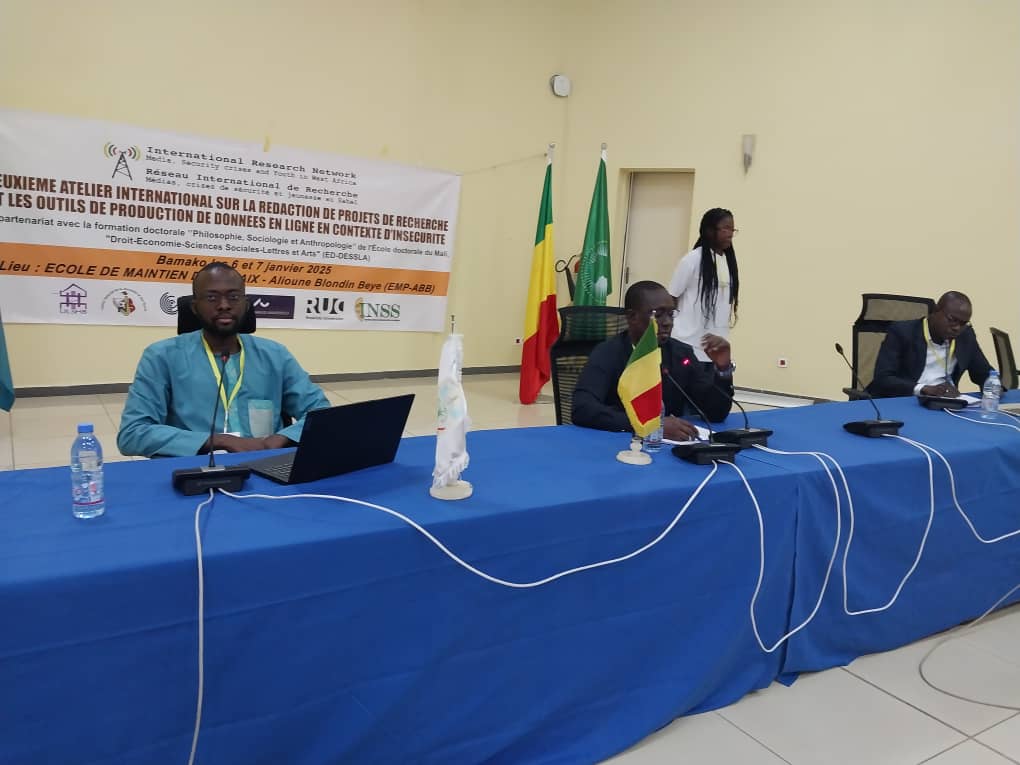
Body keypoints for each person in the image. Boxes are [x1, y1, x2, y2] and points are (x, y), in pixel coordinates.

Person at [117, 262, 331, 457]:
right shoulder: (161, 357)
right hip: (193, 468)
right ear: (194, 307)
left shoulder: (275, 355)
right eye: (212, 298)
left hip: (265, 463)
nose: (224, 305)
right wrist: (218, 441)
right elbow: (133, 434)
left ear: (246, 305)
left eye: (234, 297)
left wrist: (282, 438)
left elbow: (321, 414)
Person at [572, 280, 734, 440]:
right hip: (616, 445)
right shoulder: (608, 353)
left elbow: (715, 414)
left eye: (671, 314)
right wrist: (652, 426)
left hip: (670, 449)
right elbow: (582, 408)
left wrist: (723, 370)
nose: (667, 322)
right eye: (657, 314)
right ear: (632, 317)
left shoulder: (681, 354)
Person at [867, 291, 992, 398]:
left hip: (943, 404)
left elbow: (984, 373)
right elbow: (883, 378)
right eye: (952, 320)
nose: (957, 328)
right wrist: (923, 389)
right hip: (903, 401)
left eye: (963, 323)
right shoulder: (903, 332)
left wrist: (994, 385)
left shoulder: (965, 336)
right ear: (935, 311)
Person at [668, 208, 740, 365]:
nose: (730, 233)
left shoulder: (728, 263)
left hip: (716, 348)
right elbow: (671, 297)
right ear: (709, 231)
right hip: (687, 344)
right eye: (725, 228)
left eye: (732, 229)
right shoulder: (692, 260)